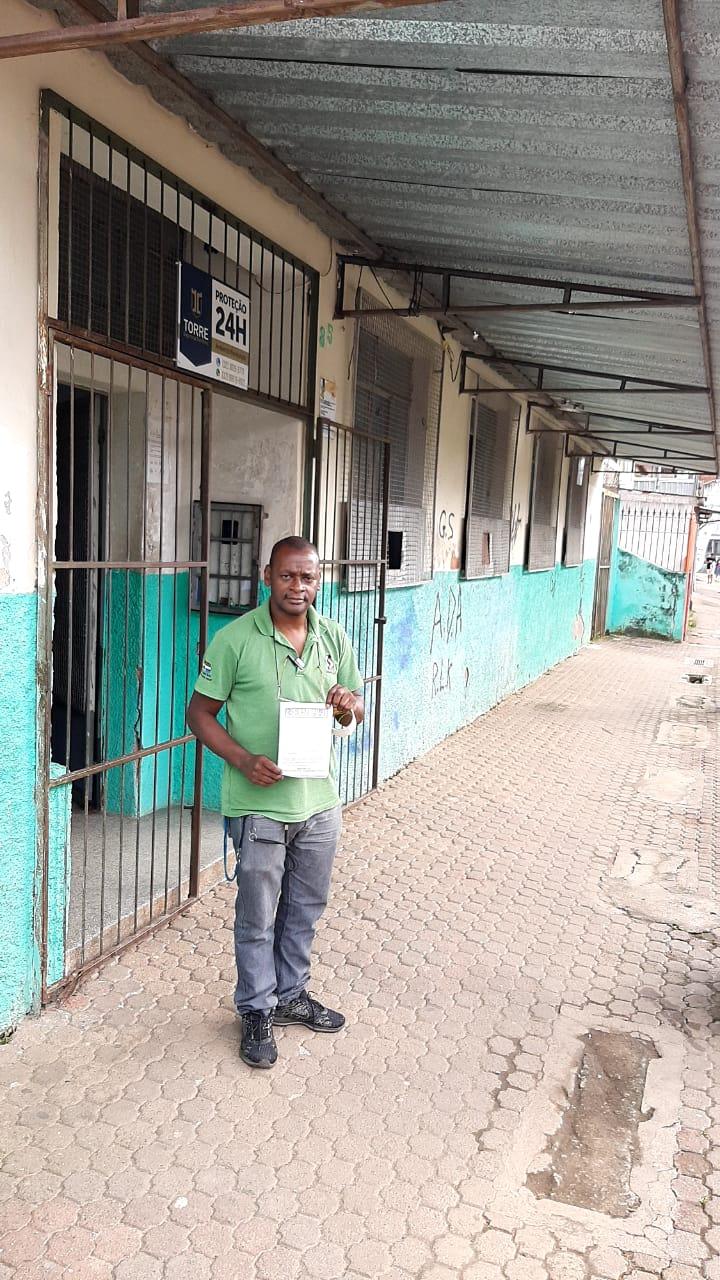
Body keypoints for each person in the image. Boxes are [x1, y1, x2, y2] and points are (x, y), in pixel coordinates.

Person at [187, 536, 364, 1069]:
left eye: (307, 577)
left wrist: (348, 705)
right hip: (258, 805)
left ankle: (291, 995)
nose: (297, 587)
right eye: (287, 575)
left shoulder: (333, 637)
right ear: (267, 576)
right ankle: (256, 1009)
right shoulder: (235, 640)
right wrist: (243, 760)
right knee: (257, 914)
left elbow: (354, 710)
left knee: (305, 908)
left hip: (318, 803)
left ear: (319, 581)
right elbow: (198, 715)